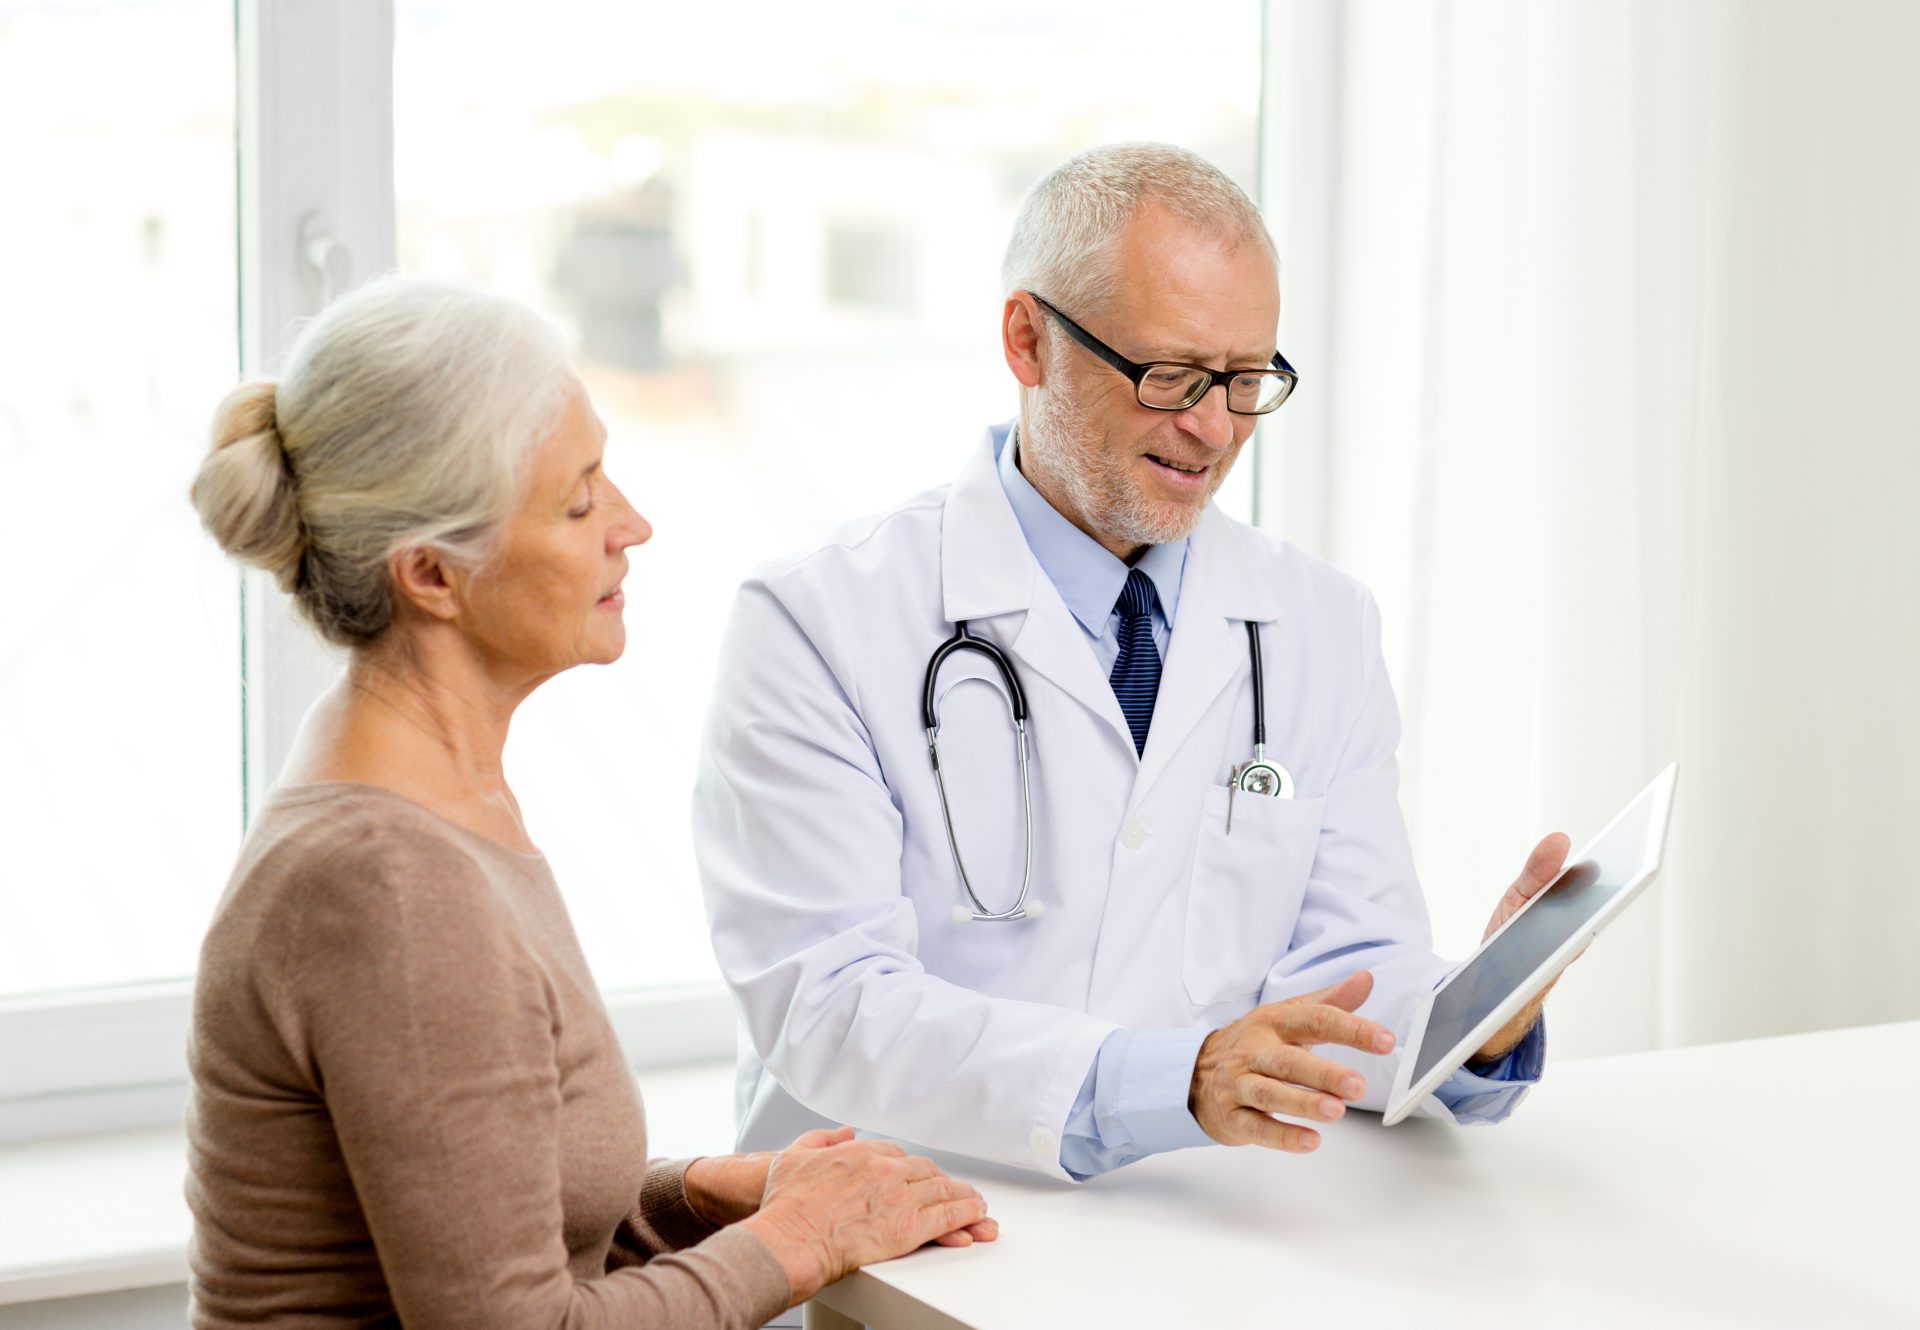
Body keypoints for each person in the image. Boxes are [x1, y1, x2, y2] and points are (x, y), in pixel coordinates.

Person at [695, 143, 1570, 1185]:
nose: (1213, 429)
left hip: (1185, 1227)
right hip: (888, 1236)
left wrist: (1471, 1018)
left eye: (1247, 380)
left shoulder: (1319, 623)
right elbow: (832, 1004)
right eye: (1170, 375)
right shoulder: (819, 619)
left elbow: (1341, 972)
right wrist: (1170, 1080)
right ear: (1028, 340)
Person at [184, 277, 994, 1330]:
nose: (633, 524)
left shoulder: (434, 795)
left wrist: (702, 1195)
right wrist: (795, 1241)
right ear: (432, 573)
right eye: (579, 500)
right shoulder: (390, 878)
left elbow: (504, 1218)